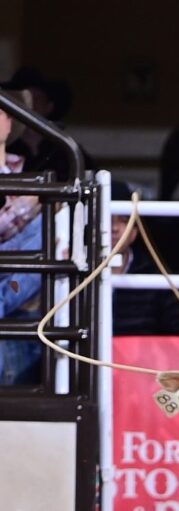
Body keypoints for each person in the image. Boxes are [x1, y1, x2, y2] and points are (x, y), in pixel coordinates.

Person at [109, 181, 179, 336]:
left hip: (137, 360)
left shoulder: (153, 275)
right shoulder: (73, 270)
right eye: (107, 219)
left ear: (135, 232)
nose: (114, 228)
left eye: (123, 220)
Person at [0, 89, 45, 385]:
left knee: (51, 229)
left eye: (2, 111)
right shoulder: (30, 186)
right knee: (43, 229)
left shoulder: (24, 170)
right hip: (15, 284)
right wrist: (24, 210)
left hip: (17, 288)